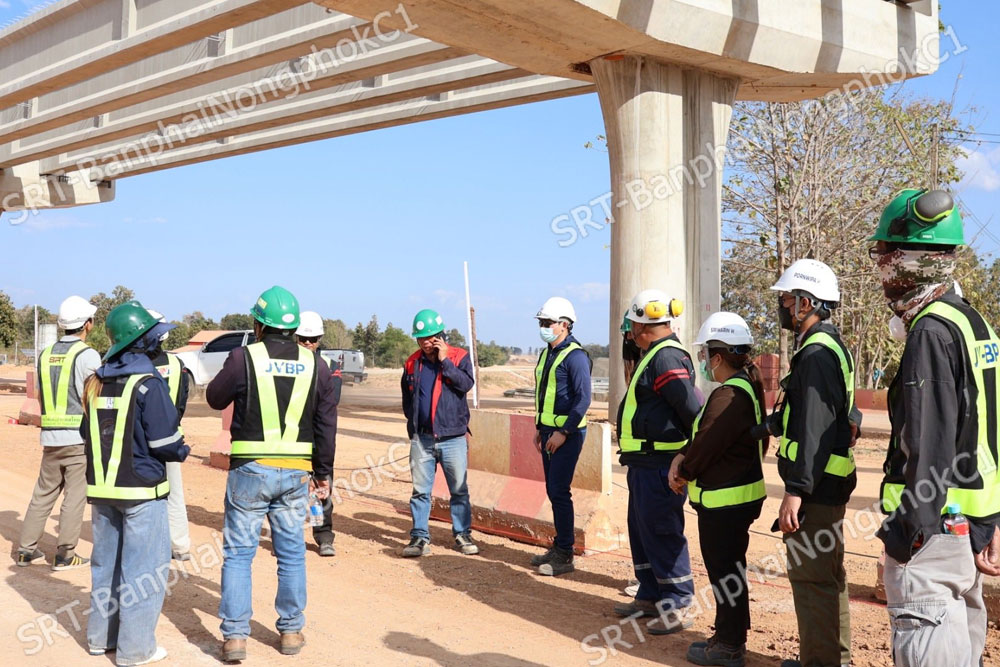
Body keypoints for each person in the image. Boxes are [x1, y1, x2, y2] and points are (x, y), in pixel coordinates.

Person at [870, 188, 1000, 667]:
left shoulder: (929, 331)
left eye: (886, 253)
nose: (881, 265)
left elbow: (928, 442)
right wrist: (994, 519)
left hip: (934, 535)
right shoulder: (972, 322)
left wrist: (909, 533)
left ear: (912, 260)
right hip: (970, 529)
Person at [207, 286, 337, 661]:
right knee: (292, 554)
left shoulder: (243, 357)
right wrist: (323, 473)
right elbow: (326, 425)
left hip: (250, 469)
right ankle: (291, 631)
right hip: (296, 473)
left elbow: (215, 398)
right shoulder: (317, 365)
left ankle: (235, 638)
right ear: (294, 328)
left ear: (259, 325)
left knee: (238, 555)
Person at [83, 301, 190, 665]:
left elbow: (87, 433)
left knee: (106, 567)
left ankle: (101, 639)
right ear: (141, 342)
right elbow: (165, 443)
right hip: (143, 492)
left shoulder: (96, 381)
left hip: (102, 491)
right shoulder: (149, 383)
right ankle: (136, 650)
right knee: (143, 572)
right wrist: (182, 449)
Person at [769, 259, 857, 667]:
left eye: (787, 300)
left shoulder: (816, 354)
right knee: (828, 578)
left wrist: (796, 490)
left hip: (816, 490)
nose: (783, 307)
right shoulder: (830, 346)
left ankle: (821, 663)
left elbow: (814, 429)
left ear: (806, 303)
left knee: (812, 579)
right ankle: (832, 658)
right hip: (828, 484)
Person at [668, 312, 768, 667]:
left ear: (718, 357)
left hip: (725, 502)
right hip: (732, 499)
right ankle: (728, 637)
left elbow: (708, 442)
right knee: (729, 572)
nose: (702, 360)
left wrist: (684, 470)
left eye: (705, 353)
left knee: (725, 574)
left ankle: (729, 645)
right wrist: (685, 454)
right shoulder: (741, 387)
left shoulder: (730, 394)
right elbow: (704, 435)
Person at [614, 289, 699, 635]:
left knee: (662, 531)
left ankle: (677, 602)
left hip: (660, 464)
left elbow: (692, 410)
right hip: (643, 463)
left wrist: (686, 455)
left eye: (632, 325)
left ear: (642, 324)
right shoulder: (654, 355)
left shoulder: (666, 358)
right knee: (642, 529)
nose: (630, 332)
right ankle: (650, 595)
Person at [16, 295, 100, 570]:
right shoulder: (88, 355)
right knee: (74, 497)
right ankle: (65, 555)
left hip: (50, 436)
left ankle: (26, 550)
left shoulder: (45, 354)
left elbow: (41, 394)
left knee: (43, 494)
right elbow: (94, 397)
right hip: (77, 438)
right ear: (86, 324)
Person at [400, 308, 477, 557]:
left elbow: (466, 384)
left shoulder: (458, 357)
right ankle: (419, 538)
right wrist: (414, 427)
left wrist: (445, 361)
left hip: (453, 438)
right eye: (421, 338)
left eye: (430, 337)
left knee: (459, 490)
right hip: (422, 439)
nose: (425, 342)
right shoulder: (412, 363)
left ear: (440, 336)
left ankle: (462, 534)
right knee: (420, 492)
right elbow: (407, 400)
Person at [530, 297, 592, 576]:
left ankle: (565, 553)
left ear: (564, 325)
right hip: (548, 431)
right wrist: (540, 427)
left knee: (559, 491)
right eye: (541, 322)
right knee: (553, 491)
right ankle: (559, 546)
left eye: (548, 323)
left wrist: (563, 432)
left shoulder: (575, 356)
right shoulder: (547, 353)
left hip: (567, 433)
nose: (543, 327)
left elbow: (583, 400)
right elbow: (545, 394)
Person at [147, 309, 193, 562]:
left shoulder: (135, 366)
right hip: (172, 436)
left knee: (145, 494)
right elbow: (182, 401)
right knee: (174, 494)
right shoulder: (177, 364)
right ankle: (180, 546)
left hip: (142, 441)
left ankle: (151, 544)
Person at [296, 310, 342, 557]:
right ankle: (290, 537)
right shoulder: (287, 365)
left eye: (312, 339)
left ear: (319, 339)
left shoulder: (330, 367)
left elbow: (330, 404)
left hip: (318, 440)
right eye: (302, 338)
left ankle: (323, 535)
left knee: (319, 491)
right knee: (290, 493)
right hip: (291, 441)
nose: (307, 343)